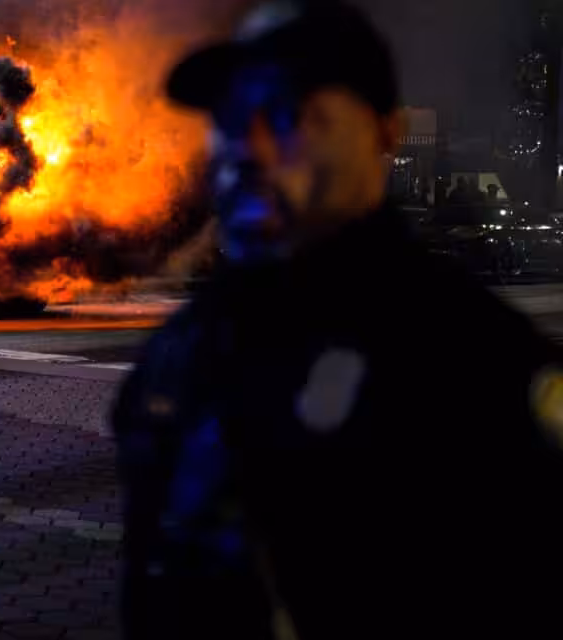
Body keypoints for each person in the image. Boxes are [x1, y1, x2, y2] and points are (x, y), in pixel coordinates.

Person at [112, 1, 563, 639]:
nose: (250, 147)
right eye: (232, 117)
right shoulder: (177, 353)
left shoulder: (476, 364)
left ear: (386, 132)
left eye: (294, 115)